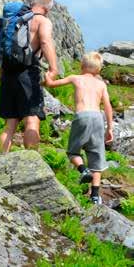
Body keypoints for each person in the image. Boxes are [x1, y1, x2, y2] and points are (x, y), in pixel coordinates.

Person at [44, 51, 113, 204]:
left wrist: (48, 76)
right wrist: (110, 129)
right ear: (99, 69)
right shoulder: (101, 85)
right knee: (97, 159)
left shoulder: (76, 78)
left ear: (82, 66)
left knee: (73, 151)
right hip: (98, 118)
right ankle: (95, 196)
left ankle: (83, 170)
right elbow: (107, 107)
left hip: (82, 116)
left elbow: (51, 84)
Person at [0, 0, 58, 152]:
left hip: (7, 73)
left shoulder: (14, 20)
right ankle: (33, 164)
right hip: (28, 73)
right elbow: (45, 41)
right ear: (47, 8)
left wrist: (1, 76)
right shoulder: (41, 20)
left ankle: (1, 161)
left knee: (10, 125)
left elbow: (2, 49)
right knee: (32, 119)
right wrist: (53, 68)